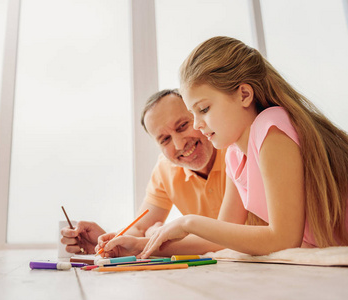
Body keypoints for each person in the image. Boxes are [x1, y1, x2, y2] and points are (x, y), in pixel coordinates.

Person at [139, 36, 348, 258]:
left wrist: (189, 222)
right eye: (193, 114)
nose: (198, 125)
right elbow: (218, 239)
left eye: (204, 109)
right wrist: (139, 247)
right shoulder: (235, 155)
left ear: (244, 95)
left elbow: (284, 239)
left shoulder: (271, 128)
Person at [60, 89, 229, 256]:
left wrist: (151, 238)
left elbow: (224, 237)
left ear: (198, 116)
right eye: (165, 139)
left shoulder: (234, 150)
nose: (179, 144)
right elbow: (140, 228)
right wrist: (108, 242)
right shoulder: (165, 169)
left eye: (182, 126)